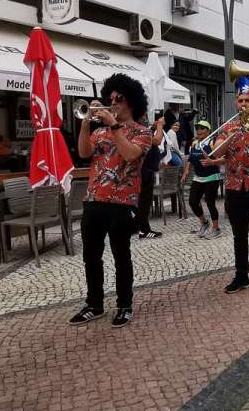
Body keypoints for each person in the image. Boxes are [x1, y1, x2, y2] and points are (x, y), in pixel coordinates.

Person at [69, 73, 152, 328]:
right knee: (91, 257)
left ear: (132, 102)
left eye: (119, 98)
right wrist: (86, 122)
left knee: (121, 257)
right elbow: (83, 152)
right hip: (94, 199)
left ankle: (124, 305)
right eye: (110, 98)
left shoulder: (142, 132)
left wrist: (114, 125)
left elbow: (130, 154)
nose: (113, 102)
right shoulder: (100, 132)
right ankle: (94, 304)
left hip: (122, 203)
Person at [211, 78, 249, 294]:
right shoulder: (228, 127)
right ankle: (241, 275)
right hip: (234, 187)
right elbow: (216, 152)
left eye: (248, 100)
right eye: (241, 101)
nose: (244, 104)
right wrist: (229, 137)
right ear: (236, 103)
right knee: (239, 235)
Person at [182, 120, 225, 239]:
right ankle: (204, 223)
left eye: (202, 128)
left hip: (211, 177)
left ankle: (216, 229)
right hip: (198, 177)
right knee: (192, 201)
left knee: (210, 203)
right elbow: (191, 159)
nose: (199, 130)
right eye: (197, 128)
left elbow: (223, 158)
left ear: (208, 130)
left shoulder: (213, 142)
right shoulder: (195, 143)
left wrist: (212, 162)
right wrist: (186, 170)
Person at [137, 114, 165, 239]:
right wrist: (159, 126)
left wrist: (153, 128)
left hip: (146, 170)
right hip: (144, 171)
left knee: (142, 201)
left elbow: (150, 138)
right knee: (144, 201)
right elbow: (157, 141)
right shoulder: (138, 130)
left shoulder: (141, 130)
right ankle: (144, 230)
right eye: (143, 116)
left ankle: (138, 226)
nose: (145, 118)